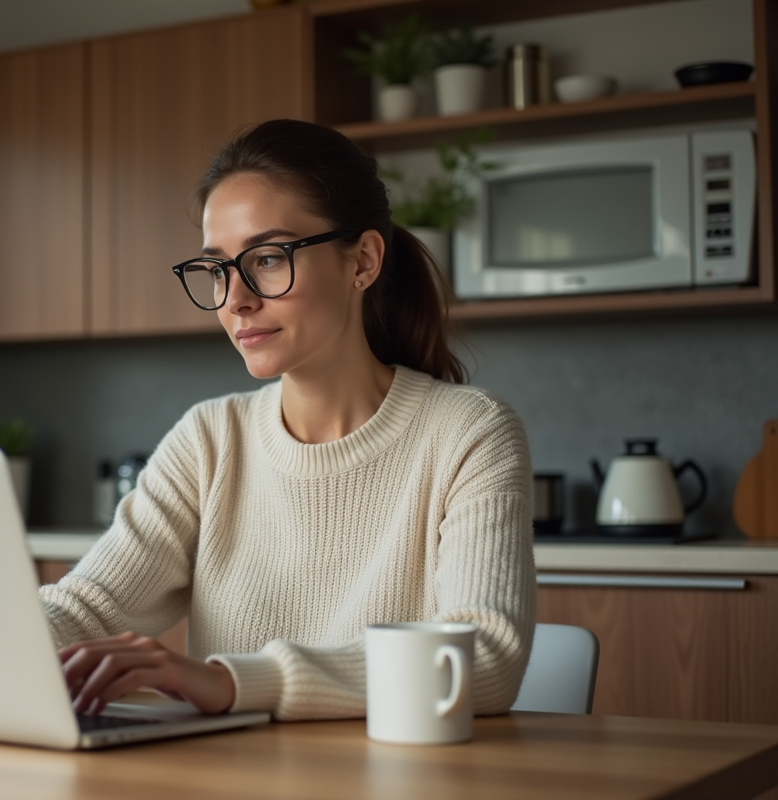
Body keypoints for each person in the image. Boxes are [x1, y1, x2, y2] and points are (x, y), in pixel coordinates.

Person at [41, 119, 535, 722]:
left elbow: (484, 658)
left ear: (363, 261)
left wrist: (234, 683)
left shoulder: (469, 432)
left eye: (268, 258)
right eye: (218, 269)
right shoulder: (209, 439)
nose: (235, 299)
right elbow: (87, 608)